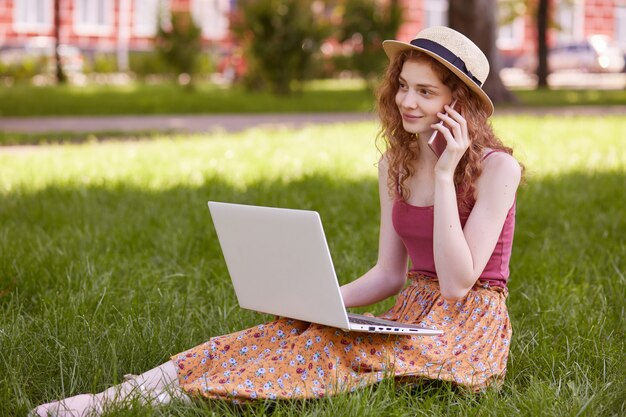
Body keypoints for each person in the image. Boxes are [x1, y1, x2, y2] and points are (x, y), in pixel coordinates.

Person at [31, 26, 522, 416]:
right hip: (411, 316)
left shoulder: (497, 169)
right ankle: (124, 393)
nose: (406, 102)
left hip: (465, 336)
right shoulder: (394, 164)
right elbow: (390, 274)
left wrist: (443, 175)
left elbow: (458, 285)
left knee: (330, 350)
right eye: (403, 87)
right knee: (287, 332)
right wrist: (315, 303)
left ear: (458, 104)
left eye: (426, 92)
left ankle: (177, 398)